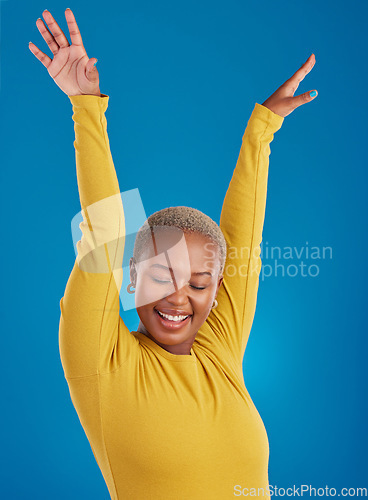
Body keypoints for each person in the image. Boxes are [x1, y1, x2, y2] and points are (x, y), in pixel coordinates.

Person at [29, 8, 317, 499]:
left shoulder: (219, 350)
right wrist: (86, 106)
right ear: (132, 279)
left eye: (199, 283)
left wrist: (261, 131)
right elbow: (106, 236)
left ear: (217, 290)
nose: (180, 297)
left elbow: (243, 247)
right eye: (163, 275)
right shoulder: (103, 364)